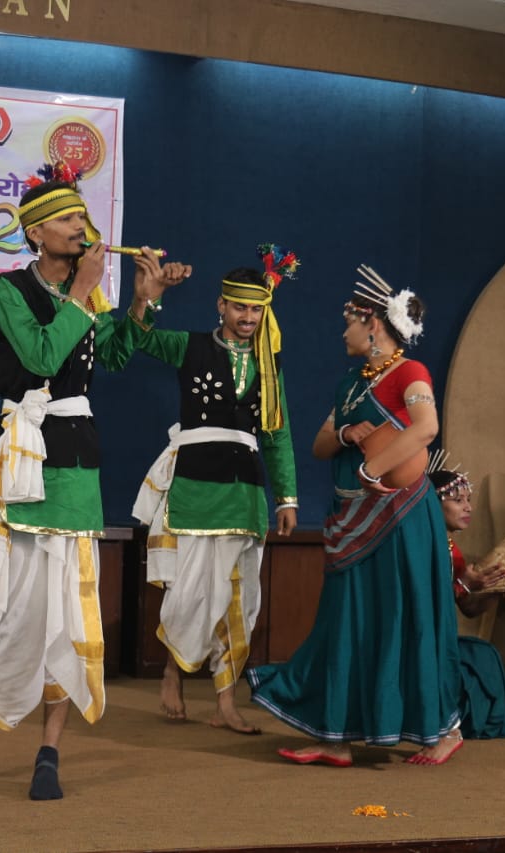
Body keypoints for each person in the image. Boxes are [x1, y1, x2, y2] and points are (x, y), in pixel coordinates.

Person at [0, 163, 190, 800]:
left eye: (82, 219)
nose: (79, 228)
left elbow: (113, 355)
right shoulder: (7, 289)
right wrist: (85, 290)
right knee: (16, 609)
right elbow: (36, 358)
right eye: (65, 219)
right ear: (35, 234)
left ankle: (49, 754)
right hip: (26, 458)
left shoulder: (93, 291)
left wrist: (142, 299)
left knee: (67, 614)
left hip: (79, 463)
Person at [247, 264, 463, 766]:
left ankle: (442, 731)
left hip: (400, 518)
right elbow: (322, 443)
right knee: (349, 620)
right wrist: (350, 436)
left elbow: (427, 427)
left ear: (372, 324)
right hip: (354, 519)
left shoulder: (411, 374)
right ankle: (335, 737)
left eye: (349, 322)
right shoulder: (351, 384)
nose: (343, 332)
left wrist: (374, 469)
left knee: (404, 618)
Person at [132, 245, 300, 734]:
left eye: (256, 309)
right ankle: (173, 669)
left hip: (245, 492)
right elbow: (141, 339)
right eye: (239, 307)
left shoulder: (270, 367)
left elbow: (278, 433)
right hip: (195, 485)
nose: (248, 317)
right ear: (220, 306)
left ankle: (226, 703)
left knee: (238, 599)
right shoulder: (190, 346)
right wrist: (150, 298)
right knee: (188, 596)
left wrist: (286, 498)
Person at [429, 461, 505, 743]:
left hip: (440, 639)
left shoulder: (452, 550)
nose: (468, 507)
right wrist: (466, 583)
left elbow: (468, 608)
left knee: (484, 655)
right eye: (457, 501)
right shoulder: (422, 545)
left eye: (468, 500)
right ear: (431, 505)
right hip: (417, 642)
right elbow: (426, 602)